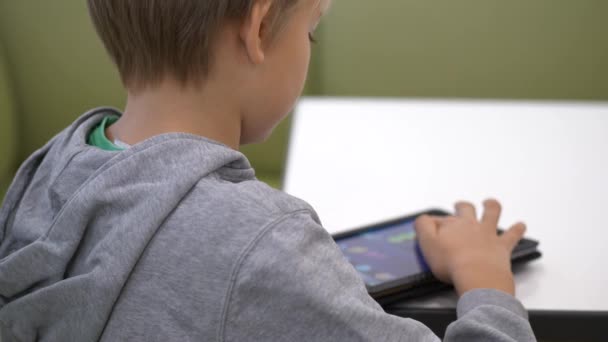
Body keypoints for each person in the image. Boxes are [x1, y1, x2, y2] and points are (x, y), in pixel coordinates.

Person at [0, 0, 536, 341]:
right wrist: (486, 283)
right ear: (259, 28)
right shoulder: (264, 246)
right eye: (311, 31)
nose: (309, 46)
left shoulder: (49, 169)